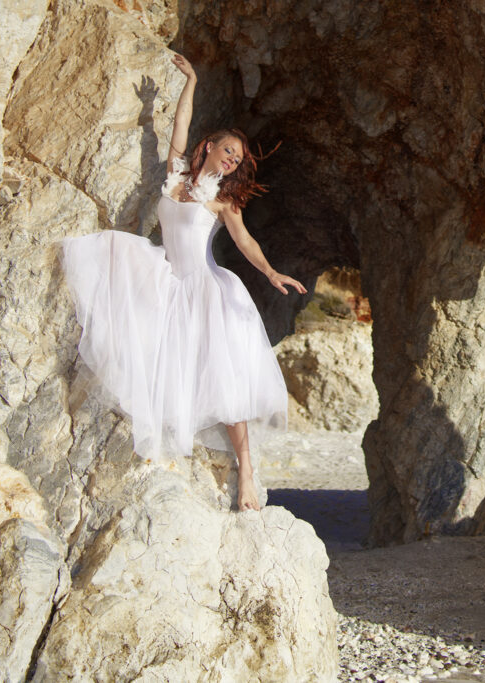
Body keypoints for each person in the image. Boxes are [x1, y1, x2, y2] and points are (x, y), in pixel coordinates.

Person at [59, 53, 306, 511]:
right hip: (166, 277)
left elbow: (245, 241)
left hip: (206, 289)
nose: (231, 161)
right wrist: (190, 80)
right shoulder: (176, 174)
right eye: (228, 151)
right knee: (154, 348)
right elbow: (181, 121)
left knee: (224, 380)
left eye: (237, 160)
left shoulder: (224, 201)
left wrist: (271, 272)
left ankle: (246, 474)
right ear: (208, 146)